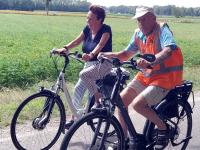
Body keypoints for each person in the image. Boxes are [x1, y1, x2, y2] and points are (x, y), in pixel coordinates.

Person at [98, 6, 183, 150]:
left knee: (138, 104)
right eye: (139, 20)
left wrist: (151, 61)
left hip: (165, 77)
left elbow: (169, 49)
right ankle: (123, 140)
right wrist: (107, 54)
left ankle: (163, 128)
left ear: (153, 18)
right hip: (147, 75)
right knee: (121, 101)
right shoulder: (138, 34)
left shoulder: (162, 30)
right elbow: (125, 54)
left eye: (144, 19)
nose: (141, 23)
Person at [56, 5, 112, 128]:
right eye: (87, 18)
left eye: (90, 19)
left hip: (104, 63)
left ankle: (98, 101)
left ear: (99, 19)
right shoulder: (87, 29)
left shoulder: (106, 29)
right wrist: (65, 48)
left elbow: (101, 45)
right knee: (78, 89)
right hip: (90, 64)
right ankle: (75, 118)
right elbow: (76, 41)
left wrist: (91, 54)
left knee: (84, 75)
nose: (88, 21)